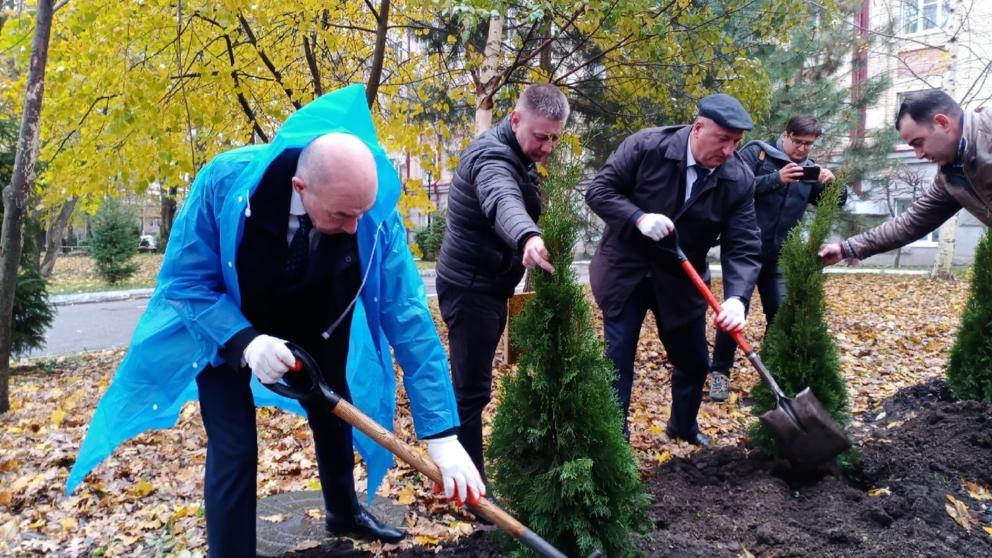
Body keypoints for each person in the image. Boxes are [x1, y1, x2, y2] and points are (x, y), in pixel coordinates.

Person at [67, 86, 483, 557]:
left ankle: (342, 512)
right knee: (235, 446)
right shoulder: (223, 183)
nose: (355, 226)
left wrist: (442, 435)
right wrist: (245, 342)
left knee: (334, 415)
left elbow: (408, 319)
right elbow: (186, 283)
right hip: (230, 327)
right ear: (300, 189)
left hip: (321, 319)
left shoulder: (370, 215)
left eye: (361, 214)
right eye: (342, 215)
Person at [585, 93, 761, 446]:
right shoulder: (647, 147)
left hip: (682, 278)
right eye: (722, 139)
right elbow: (599, 190)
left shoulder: (738, 177)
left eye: (736, 142)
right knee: (618, 362)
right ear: (698, 128)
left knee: (695, 362)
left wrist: (738, 298)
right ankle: (614, 443)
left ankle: (683, 425)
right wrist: (638, 217)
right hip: (627, 270)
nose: (728, 151)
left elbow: (743, 243)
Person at [435, 83, 569, 483]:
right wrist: (527, 236)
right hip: (469, 288)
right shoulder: (491, 155)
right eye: (541, 135)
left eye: (555, 138)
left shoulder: (518, 154)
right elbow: (501, 198)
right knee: (470, 391)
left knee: (472, 386)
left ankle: (461, 470)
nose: (547, 146)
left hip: (490, 285)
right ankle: (467, 482)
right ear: (515, 119)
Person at [708, 114, 845, 401]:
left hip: (780, 256)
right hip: (744, 252)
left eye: (809, 144)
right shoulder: (755, 154)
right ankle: (719, 376)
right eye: (798, 142)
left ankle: (768, 377)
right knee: (734, 315)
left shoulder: (809, 171)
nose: (803, 149)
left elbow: (835, 203)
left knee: (781, 317)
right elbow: (730, 187)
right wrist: (776, 179)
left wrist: (833, 185)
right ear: (785, 134)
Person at [819, 90, 992, 266]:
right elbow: (912, 222)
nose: (919, 155)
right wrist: (846, 248)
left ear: (942, 123)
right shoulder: (950, 175)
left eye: (919, 142)